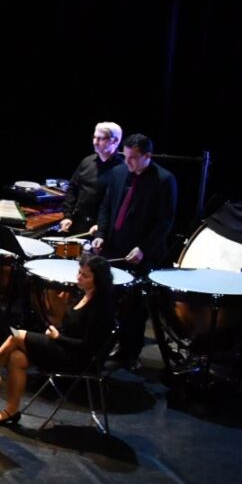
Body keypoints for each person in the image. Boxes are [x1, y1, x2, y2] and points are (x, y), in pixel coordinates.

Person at [0, 255, 116, 425]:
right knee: (16, 358)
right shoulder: (83, 294)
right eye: (79, 272)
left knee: (16, 337)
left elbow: (88, 346)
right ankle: (11, 411)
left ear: (99, 280)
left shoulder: (100, 307)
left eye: (85, 276)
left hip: (77, 359)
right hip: (64, 348)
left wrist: (58, 337)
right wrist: (57, 330)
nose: (78, 278)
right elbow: (71, 327)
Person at [92, 133, 178, 369]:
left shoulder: (163, 180)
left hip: (141, 252)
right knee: (107, 299)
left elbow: (165, 222)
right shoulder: (119, 173)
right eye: (125, 156)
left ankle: (130, 353)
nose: (128, 162)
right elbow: (107, 208)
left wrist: (143, 248)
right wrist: (101, 235)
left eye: (133, 158)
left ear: (147, 156)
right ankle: (103, 344)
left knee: (134, 307)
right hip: (113, 248)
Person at [58, 122, 124, 235]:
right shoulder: (87, 162)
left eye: (100, 138)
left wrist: (102, 226)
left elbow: (120, 205)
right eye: (94, 137)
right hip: (76, 225)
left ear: (115, 141)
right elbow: (72, 189)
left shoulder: (123, 170)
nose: (95, 142)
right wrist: (67, 216)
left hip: (101, 231)